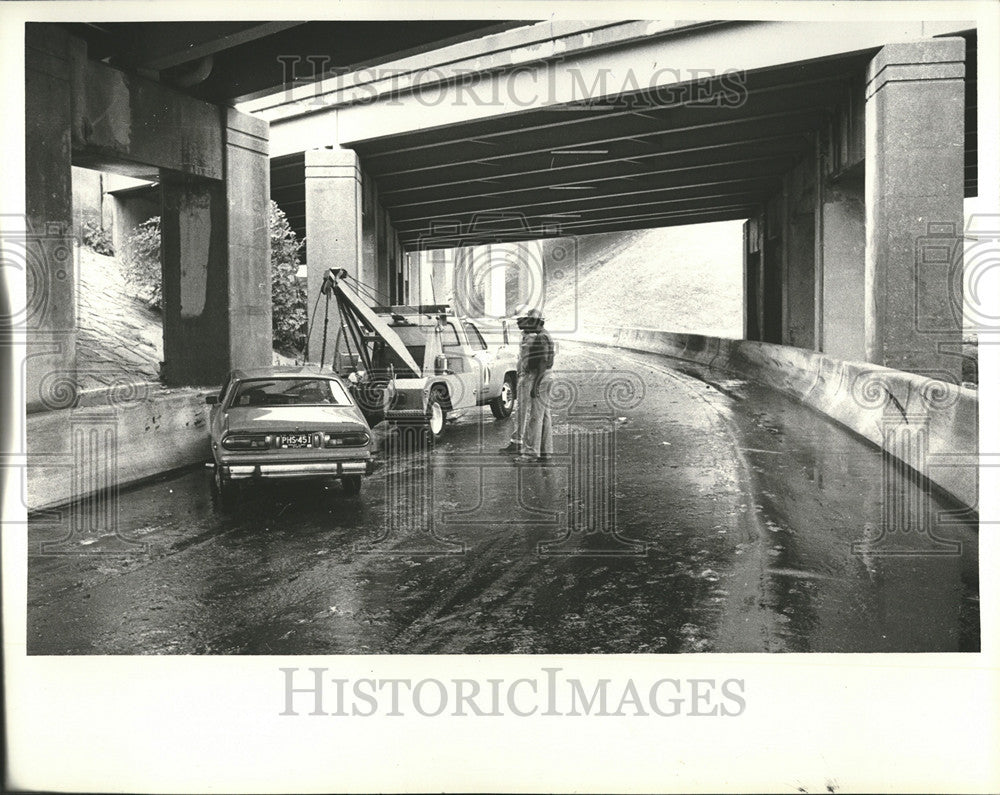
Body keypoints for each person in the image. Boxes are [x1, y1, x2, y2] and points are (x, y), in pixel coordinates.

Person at [514, 308, 555, 464]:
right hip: (545, 376)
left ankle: (530, 453)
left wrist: (535, 386)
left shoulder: (541, 338)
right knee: (544, 416)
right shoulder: (543, 335)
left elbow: (542, 363)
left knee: (535, 417)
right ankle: (545, 451)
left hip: (541, 377)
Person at [499, 314, 538, 454]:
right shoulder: (526, 335)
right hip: (525, 376)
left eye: (520, 320)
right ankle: (521, 441)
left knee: (523, 410)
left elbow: (531, 359)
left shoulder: (531, 337)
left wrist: (525, 372)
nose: (517, 323)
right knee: (524, 410)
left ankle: (520, 442)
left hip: (527, 377)